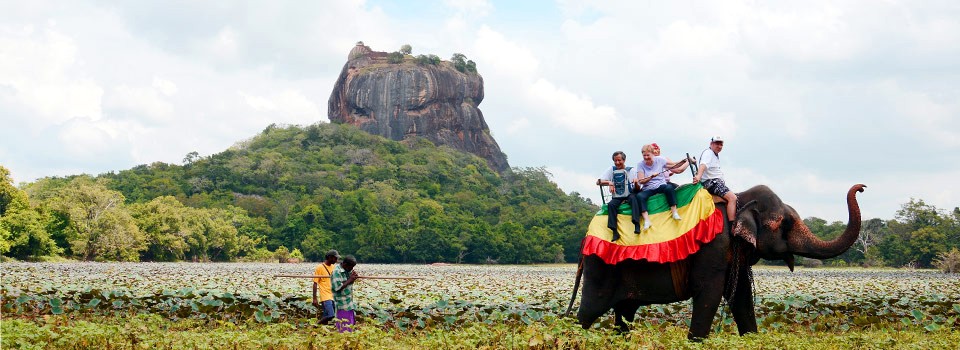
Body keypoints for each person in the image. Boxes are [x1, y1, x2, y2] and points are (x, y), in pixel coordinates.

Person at [692, 136, 737, 231]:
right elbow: (703, 164)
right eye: (717, 143)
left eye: (721, 144)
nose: (719, 146)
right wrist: (698, 176)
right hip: (712, 183)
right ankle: (732, 226)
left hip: (715, 182)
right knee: (732, 198)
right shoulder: (708, 153)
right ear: (711, 144)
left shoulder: (714, 154)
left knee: (730, 199)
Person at [636, 144, 685, 230]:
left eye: (648, 155)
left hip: (660, 185)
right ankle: (647, 220)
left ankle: (674, 212)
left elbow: (674, 165)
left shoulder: (660, 160)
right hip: (648, 188)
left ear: (653, 154)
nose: (646, 157)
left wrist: (685, 160)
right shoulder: (640, 164)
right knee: (640, 196)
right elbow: (641, 181)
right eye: (644, 155)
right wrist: (651, 177)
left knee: (669, 188)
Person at [597, 151, 640, 240]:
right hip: (617, 196)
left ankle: (636, 223)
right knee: (611, 205)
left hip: (629, 194)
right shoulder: (612, 169)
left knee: (633, 198)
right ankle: (614, 231)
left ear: (624, 160)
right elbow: (598, 182)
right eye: (615, 161)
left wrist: (636, 183)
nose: (617, 163)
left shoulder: (631, 170)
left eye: (619, 160)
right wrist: (609, 182)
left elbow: (638, 188)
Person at [331, 255, 359, 333]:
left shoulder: (346, 270)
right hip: (342, 305)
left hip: (349, 304)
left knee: (350, 327)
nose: (352, 269)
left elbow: (348, 283)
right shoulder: (336, 272)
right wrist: (350, 279)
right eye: (351, 267)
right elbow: (337, 288)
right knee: (344, 329)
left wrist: (353, 278)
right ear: (345, 264)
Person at [311, 250, 339, 325]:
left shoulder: (334, 267)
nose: (336, 260)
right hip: (325, 296)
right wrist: (314, 298)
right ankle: (316, 324)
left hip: (333, 295)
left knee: (327, 315)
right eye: (335, 258)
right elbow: (315, 283)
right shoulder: (320, 267)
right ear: (330, 257)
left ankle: (321, 328)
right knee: (331, 315)